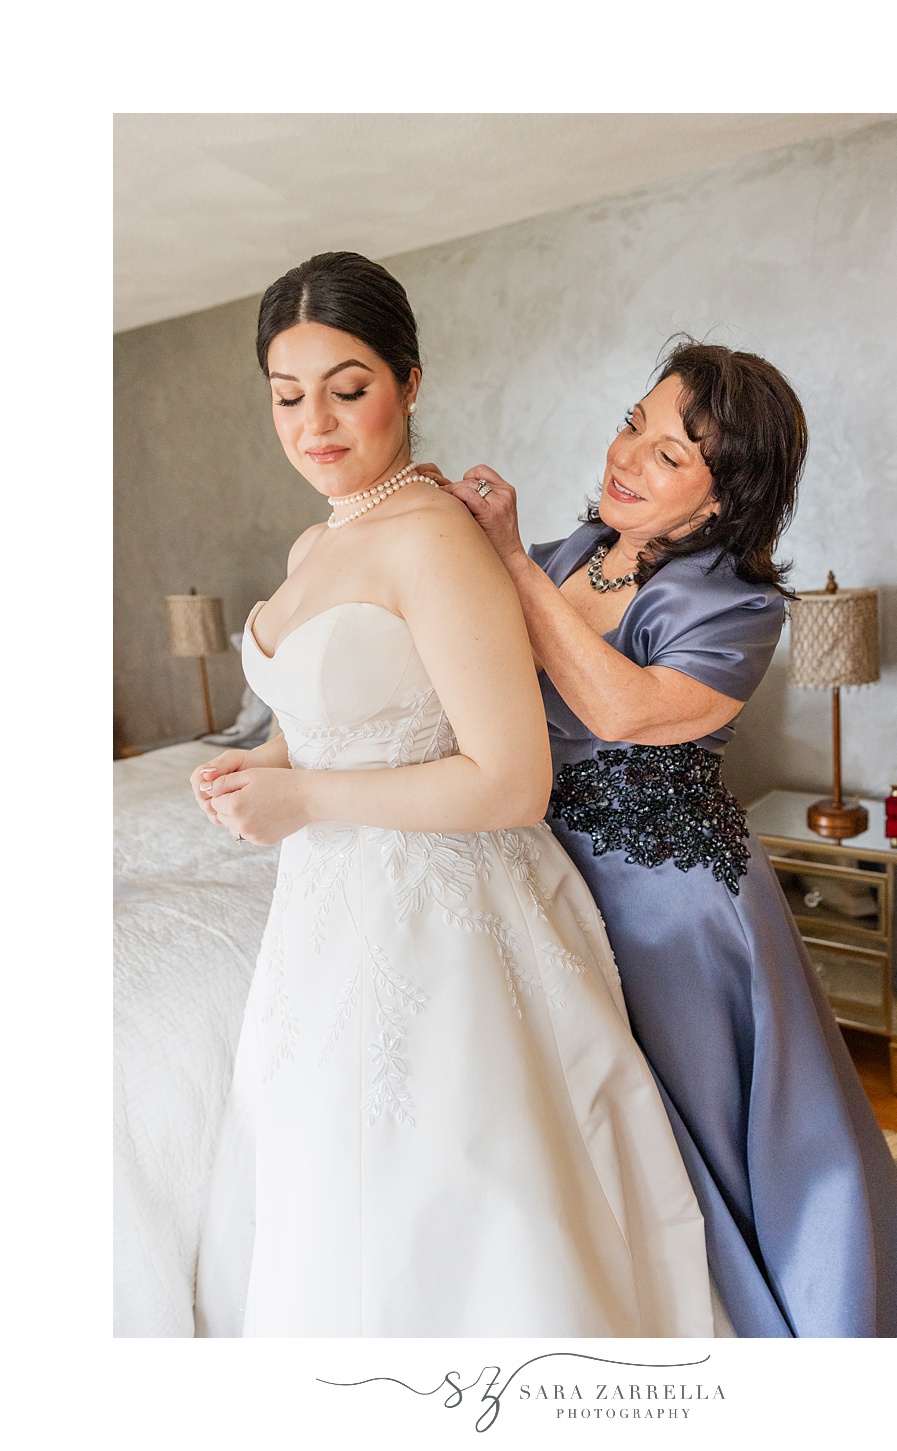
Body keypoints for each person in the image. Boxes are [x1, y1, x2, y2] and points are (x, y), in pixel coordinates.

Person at [187, 253, 724, 1338]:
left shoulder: (433, 538)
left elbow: (510, 779)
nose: (315, 424)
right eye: (287, 397)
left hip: (436, 907)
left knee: (447, 1199)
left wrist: (303, 798)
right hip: (326, 907)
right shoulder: (313, 542)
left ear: (411, 380)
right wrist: (266, 760)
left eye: (348, 387)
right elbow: (344, 706)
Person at [439, 340, 897, 1338]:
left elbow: (620, 709)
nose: (627, 455)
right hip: (557, 877)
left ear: (722, 499)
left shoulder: (735, 601)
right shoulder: (570, 553)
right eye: (634, 423)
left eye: (671, 454)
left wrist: (503, 558)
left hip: (679, 909)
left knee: (714, 1131)